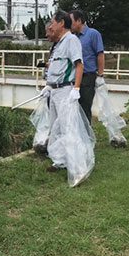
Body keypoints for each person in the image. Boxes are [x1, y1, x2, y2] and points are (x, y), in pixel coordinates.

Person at [39, 10, 84, 172]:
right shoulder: (59, 43)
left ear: (61, 23)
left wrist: (76, 88)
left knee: (68, 127)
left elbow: (79, 64)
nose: (51, 26)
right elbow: (58, 67)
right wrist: (49, 86)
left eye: (53, 22)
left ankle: (77, 166)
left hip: (66, 90)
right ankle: (60, 161)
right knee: (55, 127)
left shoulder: (71, 40)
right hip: (56, 90)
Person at [69, 10, 105, 123]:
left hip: (87, 77)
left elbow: (100, 54)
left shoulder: (93, 34)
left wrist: (100, 74)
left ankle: (86, 136)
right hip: (74, 77)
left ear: (79, 20)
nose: (69, 24)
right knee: (73, 108)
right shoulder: (73, 37)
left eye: (71, 21)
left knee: (85, 107)